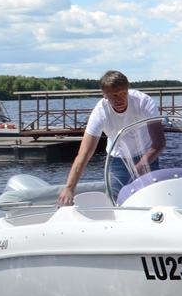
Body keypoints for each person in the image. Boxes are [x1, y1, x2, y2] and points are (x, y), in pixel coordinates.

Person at [57, 70, 163, 205]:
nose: (120, 99)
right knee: (116, 201)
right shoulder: (100, 113)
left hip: (148, 155)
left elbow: (159, 143)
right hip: (118, 159)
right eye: (114, 95)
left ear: (128, 90)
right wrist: (69, 188)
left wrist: (141, 165)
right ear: (105, 95)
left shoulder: (144, 102)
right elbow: (84, 154)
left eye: (123, 94)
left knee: (152, 199)